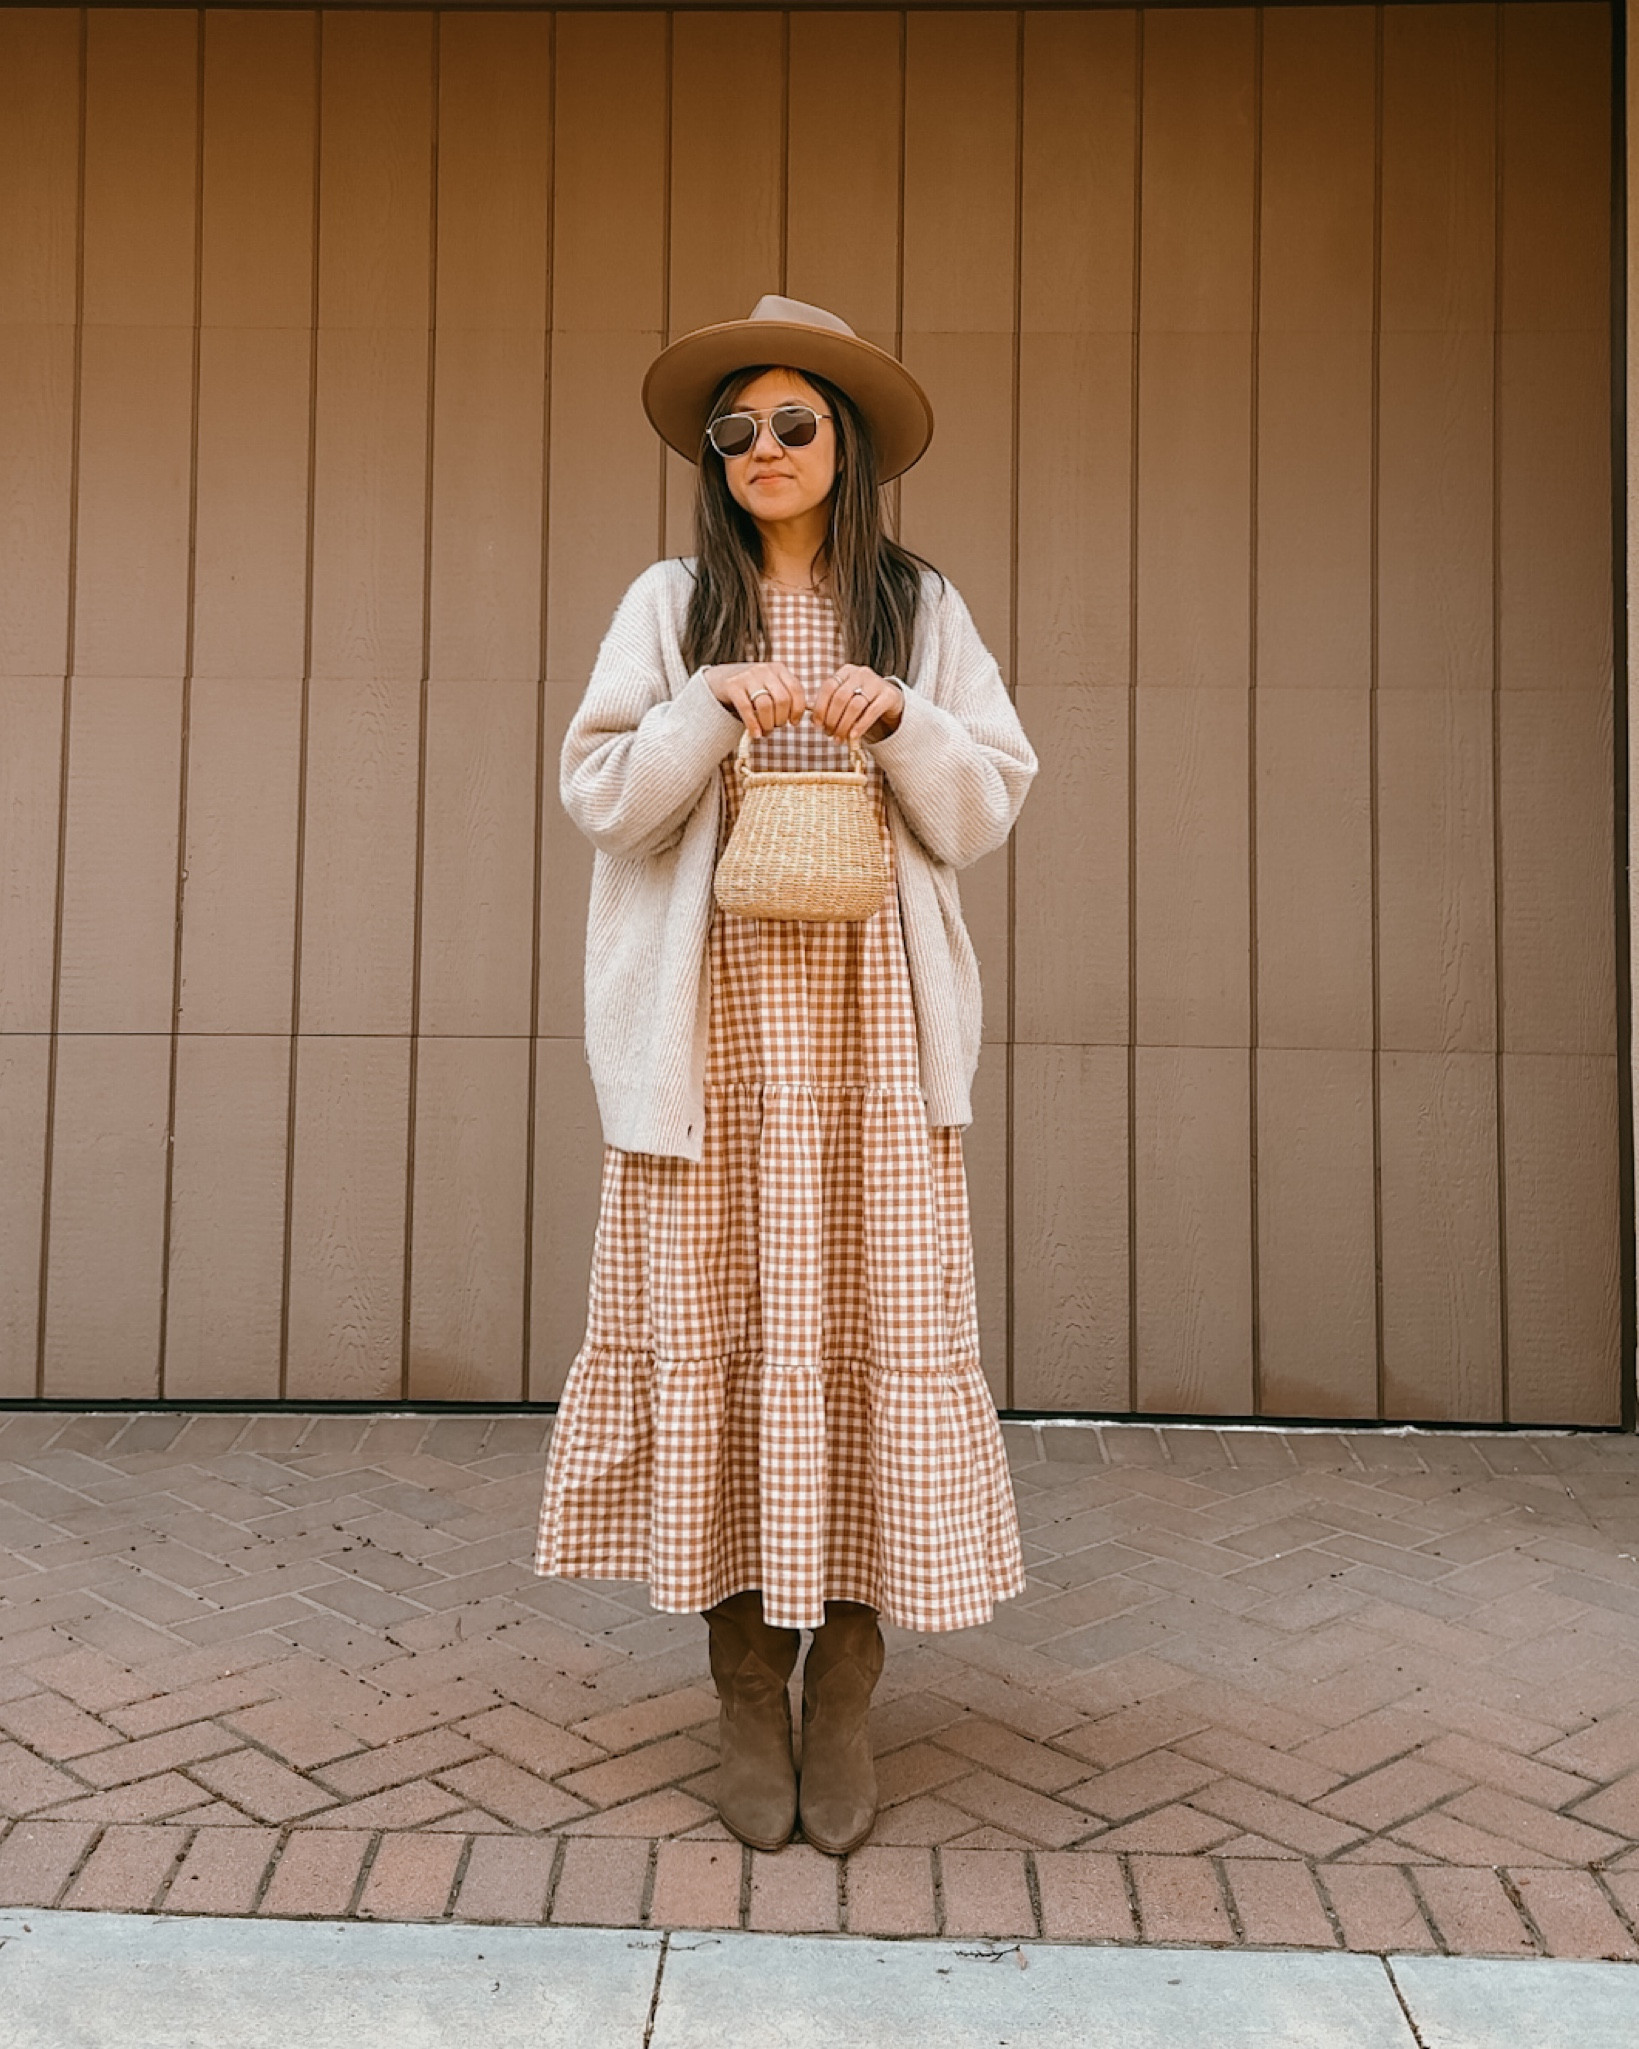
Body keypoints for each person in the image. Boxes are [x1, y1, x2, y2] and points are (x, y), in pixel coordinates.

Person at [535, 295, 1035, 1857]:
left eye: (792, 424)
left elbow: (991, 796)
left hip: (873, 1043)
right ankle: (750, 1683)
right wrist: (705, 699)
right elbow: (604, 793)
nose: (762, 449)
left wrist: (900, 717)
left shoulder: (918, 603)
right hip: (717, 1044)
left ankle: (848, 1690)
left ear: (847, 445)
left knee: (869, 1331)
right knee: (733, 1329)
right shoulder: (674, 600)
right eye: (734, 429)